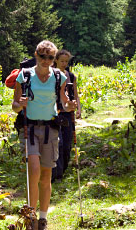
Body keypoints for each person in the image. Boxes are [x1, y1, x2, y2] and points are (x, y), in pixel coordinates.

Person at [12, 40, 77, 230]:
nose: (46, 60)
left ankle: (42, 218)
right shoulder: (24, 76)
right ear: (36, 55)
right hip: (30, 129)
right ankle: (31, 216)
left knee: (46, 175)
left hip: (51, 129)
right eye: (42, 56)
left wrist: (70, 106)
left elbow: (64, 103)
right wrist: (20, 105)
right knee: (33, 170)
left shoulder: (59, 77)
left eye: (50, 57)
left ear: (53, 58)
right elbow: (14, 105)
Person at [52, 49, 82, 181]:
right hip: (55, 113)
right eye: (62, 61)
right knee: (58, 143)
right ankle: (57, 174)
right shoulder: (50, 75)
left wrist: (79, 109)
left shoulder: (71, 76)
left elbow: (75, 94)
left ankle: (63, 170)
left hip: (68, 113)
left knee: (67, 143)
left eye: (66, 61)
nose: (64, 63)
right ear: (56, 60)